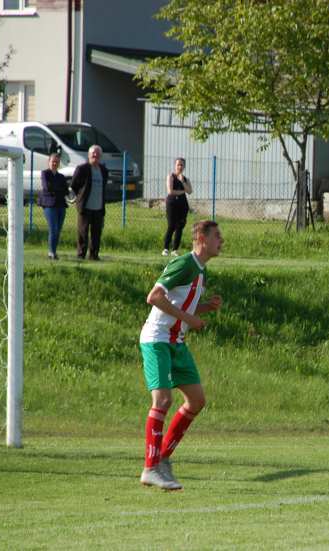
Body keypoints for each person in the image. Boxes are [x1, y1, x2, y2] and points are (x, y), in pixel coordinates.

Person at [139, 220, 223, 490]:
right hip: (157, 340)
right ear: (201, 238)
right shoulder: (184, 264)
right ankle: (150, 468)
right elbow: (154, 297)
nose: (221, 241)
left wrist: (206, 307)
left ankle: (161, 459)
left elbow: (183, 302)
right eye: (217, 236)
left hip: (177, 342)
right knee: (163, 399)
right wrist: (189, 317)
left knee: (196, 401)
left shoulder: (201, 271)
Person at [70, 145, 108, 261]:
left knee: (96, 233)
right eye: (93, 154)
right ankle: (81, 255)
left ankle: (94, 255)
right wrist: (81, 198)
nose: (95, 156)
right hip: (85, 207)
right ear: (88, 155)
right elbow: (74, 186)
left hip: (98, 208)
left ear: (100, 156)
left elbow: (104, 187)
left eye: (97, 154)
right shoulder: (82, 169)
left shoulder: (103, 170)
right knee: (82, 232)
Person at [38, 153, 70, 260]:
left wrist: (56, 190)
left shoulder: (61, 177)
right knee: (53, 229)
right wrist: (58, 190)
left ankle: (54, 252)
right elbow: (47, 188)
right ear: (49, 162)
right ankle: (51, 252)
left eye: (57, 162)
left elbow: (66, 190)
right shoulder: (45, 173)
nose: (55, 163)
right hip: (49, 205)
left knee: (58, 230)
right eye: (53, 161)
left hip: (61, 205)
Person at [163, 157, 193, 257]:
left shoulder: (185, 179)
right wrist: (182, 191)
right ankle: (166, 248)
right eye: (178, 164)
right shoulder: (170, 176)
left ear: (184, 166)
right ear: (175, 166)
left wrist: (183, 182)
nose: (180, 166)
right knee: (171, 225)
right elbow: (170, 191)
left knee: (180, 226)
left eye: (182, 165)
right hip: (172, 204)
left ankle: (175, 250)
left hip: (182, 205)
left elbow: (190, 191)